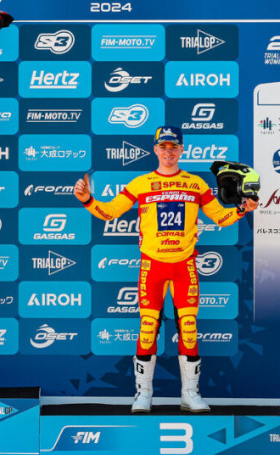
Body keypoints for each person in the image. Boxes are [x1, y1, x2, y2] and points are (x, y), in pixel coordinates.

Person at [74, 126, 259, 413]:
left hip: (184, 266)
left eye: (174, 147)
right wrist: (87, 199)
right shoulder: (141, 183)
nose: (169, 152)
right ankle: (143, 395)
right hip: (153, 266)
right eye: (164, 146)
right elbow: (109, 212)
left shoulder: (195, 184)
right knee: (147, 329)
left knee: (189, 328)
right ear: (155, 149)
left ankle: (190, 395)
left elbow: (220, 218)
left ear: (182, 149)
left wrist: (243, 208)